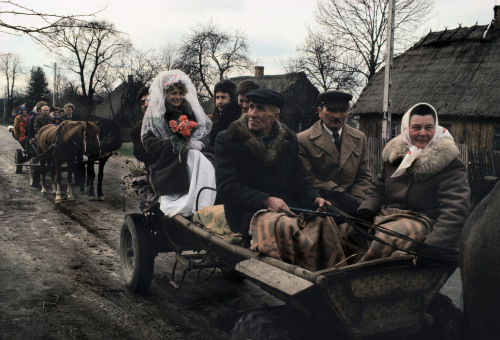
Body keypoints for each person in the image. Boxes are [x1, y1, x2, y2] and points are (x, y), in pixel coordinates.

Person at [214, 89, 330, 246]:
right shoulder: (228, 139)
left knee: (327, 223)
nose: (252, 114)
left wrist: (314, 197)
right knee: (288, 230)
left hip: (284, 208)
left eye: (260, 109)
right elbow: (227, 188)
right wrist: (265, 200)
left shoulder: (289, 140)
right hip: (246, 212)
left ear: (275, 116)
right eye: (251, 107)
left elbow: (298, 180)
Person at [356, 103, 470, 261]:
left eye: (429, 127)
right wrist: (366, 211)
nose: (423, 133)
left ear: (435, 129)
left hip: (424, 223)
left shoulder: (449, 164)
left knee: (386, 238)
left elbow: (455, 210)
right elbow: (377, 189)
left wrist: (433, 246)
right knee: (349, 230)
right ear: (406, 129)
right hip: (387, 217)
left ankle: (356, 278)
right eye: (416, 127)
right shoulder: (394, 157)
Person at [141, 70, 216, 217]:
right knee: (194, 156)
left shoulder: (189, 111)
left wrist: (199, 143)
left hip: (190, 158)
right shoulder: (156, 115)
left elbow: (204, 133)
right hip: (167, 163)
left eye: (180, 93)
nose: (178, 97)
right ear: (165, 94)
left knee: (206, 159)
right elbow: (148, 143)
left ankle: (204, 201)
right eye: (173, 93)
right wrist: (173, 143)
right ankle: (193, 204)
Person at [298, 89, 372, 216]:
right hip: (321, 206)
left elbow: (364, 176)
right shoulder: (303, 140)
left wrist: (355, 200)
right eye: (332, 110)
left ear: (348, 112)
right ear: (320, 112)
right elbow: (308, 179)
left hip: (354, 204)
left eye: (342, 110)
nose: (337, 116)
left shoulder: (359, 138)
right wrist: (340, 195)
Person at [208, 79, 261, 149]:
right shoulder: (229, 111)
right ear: (237, 98)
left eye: (248, 102)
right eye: (241, 101)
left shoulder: (263, 114)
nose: (244, 105)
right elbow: (215, 138)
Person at [130, 86, 155, 168]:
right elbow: (140, 154)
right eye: (142, 103)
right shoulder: (137, 131)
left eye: (148, 100)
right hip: (154, 175)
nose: (145, 105)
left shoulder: (172, 121)